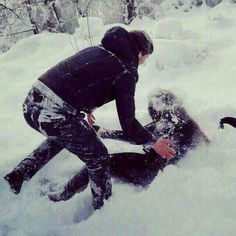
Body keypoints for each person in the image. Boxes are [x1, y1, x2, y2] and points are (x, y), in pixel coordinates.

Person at [4, 26, 175, 210]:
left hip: (31, 103)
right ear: (141, 53)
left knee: (67, 136)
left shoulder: (98, 50)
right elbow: (128, 123)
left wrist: (86, 108)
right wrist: (153, 142)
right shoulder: (126, 71)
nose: (142, 63)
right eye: (145, 59)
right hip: (54, 112)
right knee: (99, 157)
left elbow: (78, 78)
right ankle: (103, 208)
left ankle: (18, 175)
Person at [47, 89, 209, 202]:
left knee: (103, 162)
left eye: (153, 106)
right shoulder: (183, 123)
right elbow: (138, 136)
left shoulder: (169, 123)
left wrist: (102, 131)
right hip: (155, 169)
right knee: (105, 163)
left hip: (149, 172)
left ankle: (65, 193)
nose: (152, 110)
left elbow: (136, 136)